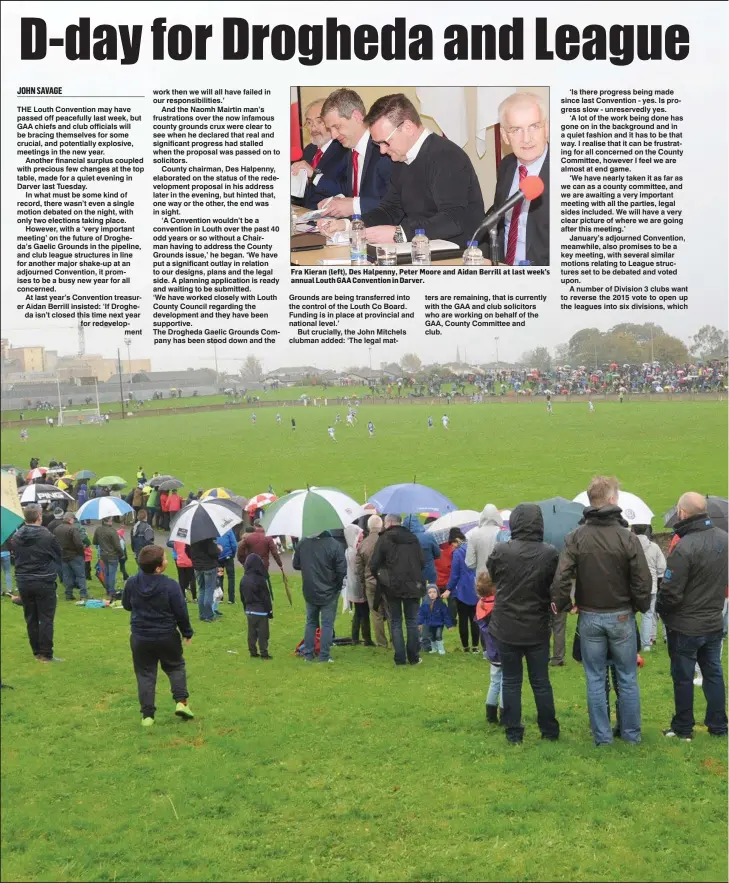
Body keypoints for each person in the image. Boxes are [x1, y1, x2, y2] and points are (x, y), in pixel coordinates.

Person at [550, 476, 652, 745]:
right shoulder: (626, 537)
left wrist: (563, 604)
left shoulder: (576, 538)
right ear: (611, 500)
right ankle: (630, 735)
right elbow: (643, 579)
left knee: (595, 679)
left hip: (592, 615)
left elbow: (561, 578)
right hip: (619, 614)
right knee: (627, 677)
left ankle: (603, 737)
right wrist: (639, 606)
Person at [320, 93, 484, 249]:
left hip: (459, 255)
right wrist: (349, 224)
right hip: (420, 250)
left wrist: (401, 233)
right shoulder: (401, 158)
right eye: (378, 144)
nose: (383, 151)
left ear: (408, 127)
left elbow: (454, 219)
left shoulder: (447, 156)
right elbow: (389, 210)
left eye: (386, 142)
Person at [487, 503, 561, 744]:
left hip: (508, 624)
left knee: (511, 680)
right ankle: (548, 730)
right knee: (540, 681)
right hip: (535, 625)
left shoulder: (502, 551)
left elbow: (493, 575)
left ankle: (514, 732)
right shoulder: (549, 553)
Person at [657, 492, 728, 740]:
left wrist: (661, 610)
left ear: (683, 513)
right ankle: (718, 725)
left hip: (686, 624)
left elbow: (671, 591)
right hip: (713, 620)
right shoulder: (725, 540)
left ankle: (683, 727)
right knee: (713, 672)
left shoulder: (684, 547)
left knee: (684, 676)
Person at [121, 545, 194, 727]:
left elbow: (127, 605)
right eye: (165, 558)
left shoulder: (131, 582)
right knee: (175, 667)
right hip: (166, 636)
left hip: (141, 638)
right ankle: (181, 702)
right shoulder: (170, 585)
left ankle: (147, 716)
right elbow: (180, 611)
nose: (167, 560)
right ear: (159, 567)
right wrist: (187, 631)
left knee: (145, 674)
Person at [488, 92, 549, 266]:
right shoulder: (507, 166)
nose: (527, 138)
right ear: (505, 136)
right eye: (516, 130)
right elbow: (498, 223)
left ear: (547, 128)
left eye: (535, 127)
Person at [314, 88, 392, 217]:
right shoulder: (350, 149)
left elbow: (397, 204)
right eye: (330, 129)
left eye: (337, 127)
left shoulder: (384, 149)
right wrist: (337, 201)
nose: (333, 135)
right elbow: (353, 191)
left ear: (356, 116)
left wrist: (354, 205)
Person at [370, 514, 426, 666]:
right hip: (414, 584)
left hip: (392, 586)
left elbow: (374, 564)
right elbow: (422, 561)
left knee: (396, 621)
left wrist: (383, 577)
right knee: (411, 621)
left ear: (388, 522)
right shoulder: (413, 538)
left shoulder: (384, 539)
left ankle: (400, 657)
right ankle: (413, 657)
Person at [13, 503, 63, 662]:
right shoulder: (47, 536)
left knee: (31, 617)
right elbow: (58, 554)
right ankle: (46, 653)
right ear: (39, 517)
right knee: (46, 617)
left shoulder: (17, 536)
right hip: (43, 580)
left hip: (24, 580)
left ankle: (36, 651)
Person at [293, 530, 347, 663]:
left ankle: (309, 654)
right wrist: (337, 586)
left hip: (311, 588)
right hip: (329, 590)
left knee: (311, 622)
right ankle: (324, 655)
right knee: (327, 624)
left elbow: (296, 564)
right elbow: (341, 570)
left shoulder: (303, 543)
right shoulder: (335, 545)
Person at [291, 97, 349, 209]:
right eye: (309, 122)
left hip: (331, 219)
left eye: (319, 121)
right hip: (304, 216)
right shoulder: (309, 150)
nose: (313, 127)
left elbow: (345, 191)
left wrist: (314, 175)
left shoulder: (345, 150)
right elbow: (303, 194)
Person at [355, 514, 390, 649]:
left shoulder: (363, 543)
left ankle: (381, 642)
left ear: (369, 527)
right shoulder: (387, 541)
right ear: (381, 525)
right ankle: (394, 640)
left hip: (370, 583)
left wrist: (364, 582)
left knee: (376, 613)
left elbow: (359, 567)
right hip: (386, 581)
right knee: (390, 612)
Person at [631, 525, 667, 652]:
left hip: (633, 585)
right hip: (650, 585)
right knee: (648, 614)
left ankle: (631, 643)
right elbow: (662, 567)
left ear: (633, 530)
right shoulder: (654, 547)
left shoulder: (629, 545)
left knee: (630, 615)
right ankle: (646, 644)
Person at [475, 571, 503, 723]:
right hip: (503, 649)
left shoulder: (480, 605)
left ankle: (490, 716)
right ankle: (505, 713)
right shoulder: (498, 606)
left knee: (494, 681)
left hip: (491, 650)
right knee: (506, 682)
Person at [236, 521, 284, 599]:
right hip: (263, 565)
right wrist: (280, 565)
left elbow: (240, 550)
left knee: (250, 581)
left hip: (250, 564)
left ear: (254, 526)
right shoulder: (268, 538)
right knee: (262, 582)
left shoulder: (248, 538)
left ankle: (252, 598)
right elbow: (274, 552)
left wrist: (244, 562)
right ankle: (262, 599)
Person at [447, 537, 480, 653]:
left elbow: (454, 574)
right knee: (475, 618)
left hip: (462, 589)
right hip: (476, 586)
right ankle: (475, 646)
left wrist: (449, 588)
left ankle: (465, 646)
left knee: (463, 619)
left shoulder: (457, 553)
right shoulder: (477, 549)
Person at [240, 553, 273, 659]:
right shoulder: (260, 580)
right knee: (263, 633)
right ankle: (264, 653)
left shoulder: (244, 579)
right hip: (261, 611)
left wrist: (245, 608)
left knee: (251, 633)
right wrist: (270, 611)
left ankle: (252, 651)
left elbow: (242, 596)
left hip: (249, 610)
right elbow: (266, 597)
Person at [344, 524, 373, 646]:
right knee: (364, 612)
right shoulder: (354, 552)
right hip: (358, 586)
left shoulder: (350, 550)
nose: (361, 535)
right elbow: (358, 570)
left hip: (353, 585)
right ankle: (367, 639)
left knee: (358, 612)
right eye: (358, 533)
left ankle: (355, 637)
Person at [436, 527, 466, 631]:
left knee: (436, 601)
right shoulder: (454, 550)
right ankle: (452, 621)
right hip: (450, 580)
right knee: (452, 602)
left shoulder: (435, 548)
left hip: (438, 579)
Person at [54, 512, 88, 602]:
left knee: (67, 576)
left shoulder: (57, 529)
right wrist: (81, 554)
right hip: (75, 555)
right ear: (70, 519)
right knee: (80, 575)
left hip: (63, 556)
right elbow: (78, 544)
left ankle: (68, 594)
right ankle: (83, 594)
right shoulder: (73, 529)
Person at [189, 536, 222, 622]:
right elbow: (213, 552)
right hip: (209, 567)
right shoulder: (208, 539)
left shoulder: (191, 539)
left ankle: (202, 614)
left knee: (202, 589)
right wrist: (219, 549)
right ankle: (209, 615)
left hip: (197, 567)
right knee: (209, 589)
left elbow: (187, 552)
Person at [92, 516, 123, 599]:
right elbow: (117, 545)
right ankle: (111, 591)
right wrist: (122, 553)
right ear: (109, 521)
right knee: (112, 573)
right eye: (111, 520)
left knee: (106, 573)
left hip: (103, 554)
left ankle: (108, 590)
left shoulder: (98, 530)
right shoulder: (112, 531)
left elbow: (94, 542)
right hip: (112, 555)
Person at [417, 584, 452, 655]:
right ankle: (434, 648)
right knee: (432, 637)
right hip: (430, 624)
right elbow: (421, 614)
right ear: (427, 594)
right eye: (429, 592)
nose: (432, 594)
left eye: (434, 592)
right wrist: (419, 623)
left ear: (438, 593)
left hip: (439, 624)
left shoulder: (441, 604)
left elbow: (446, 615)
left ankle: (441, 649)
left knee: (438, 636)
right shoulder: (424, 604)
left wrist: (449, 625)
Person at [216, 528, 238, 604]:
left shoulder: (214, 530)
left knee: (220, 576)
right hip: (228, 557)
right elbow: (234, 544)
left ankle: (220, 597)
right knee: (231, 577)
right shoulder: (228, 530)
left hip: (219, 558)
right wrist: (233, 554)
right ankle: (231, 599)